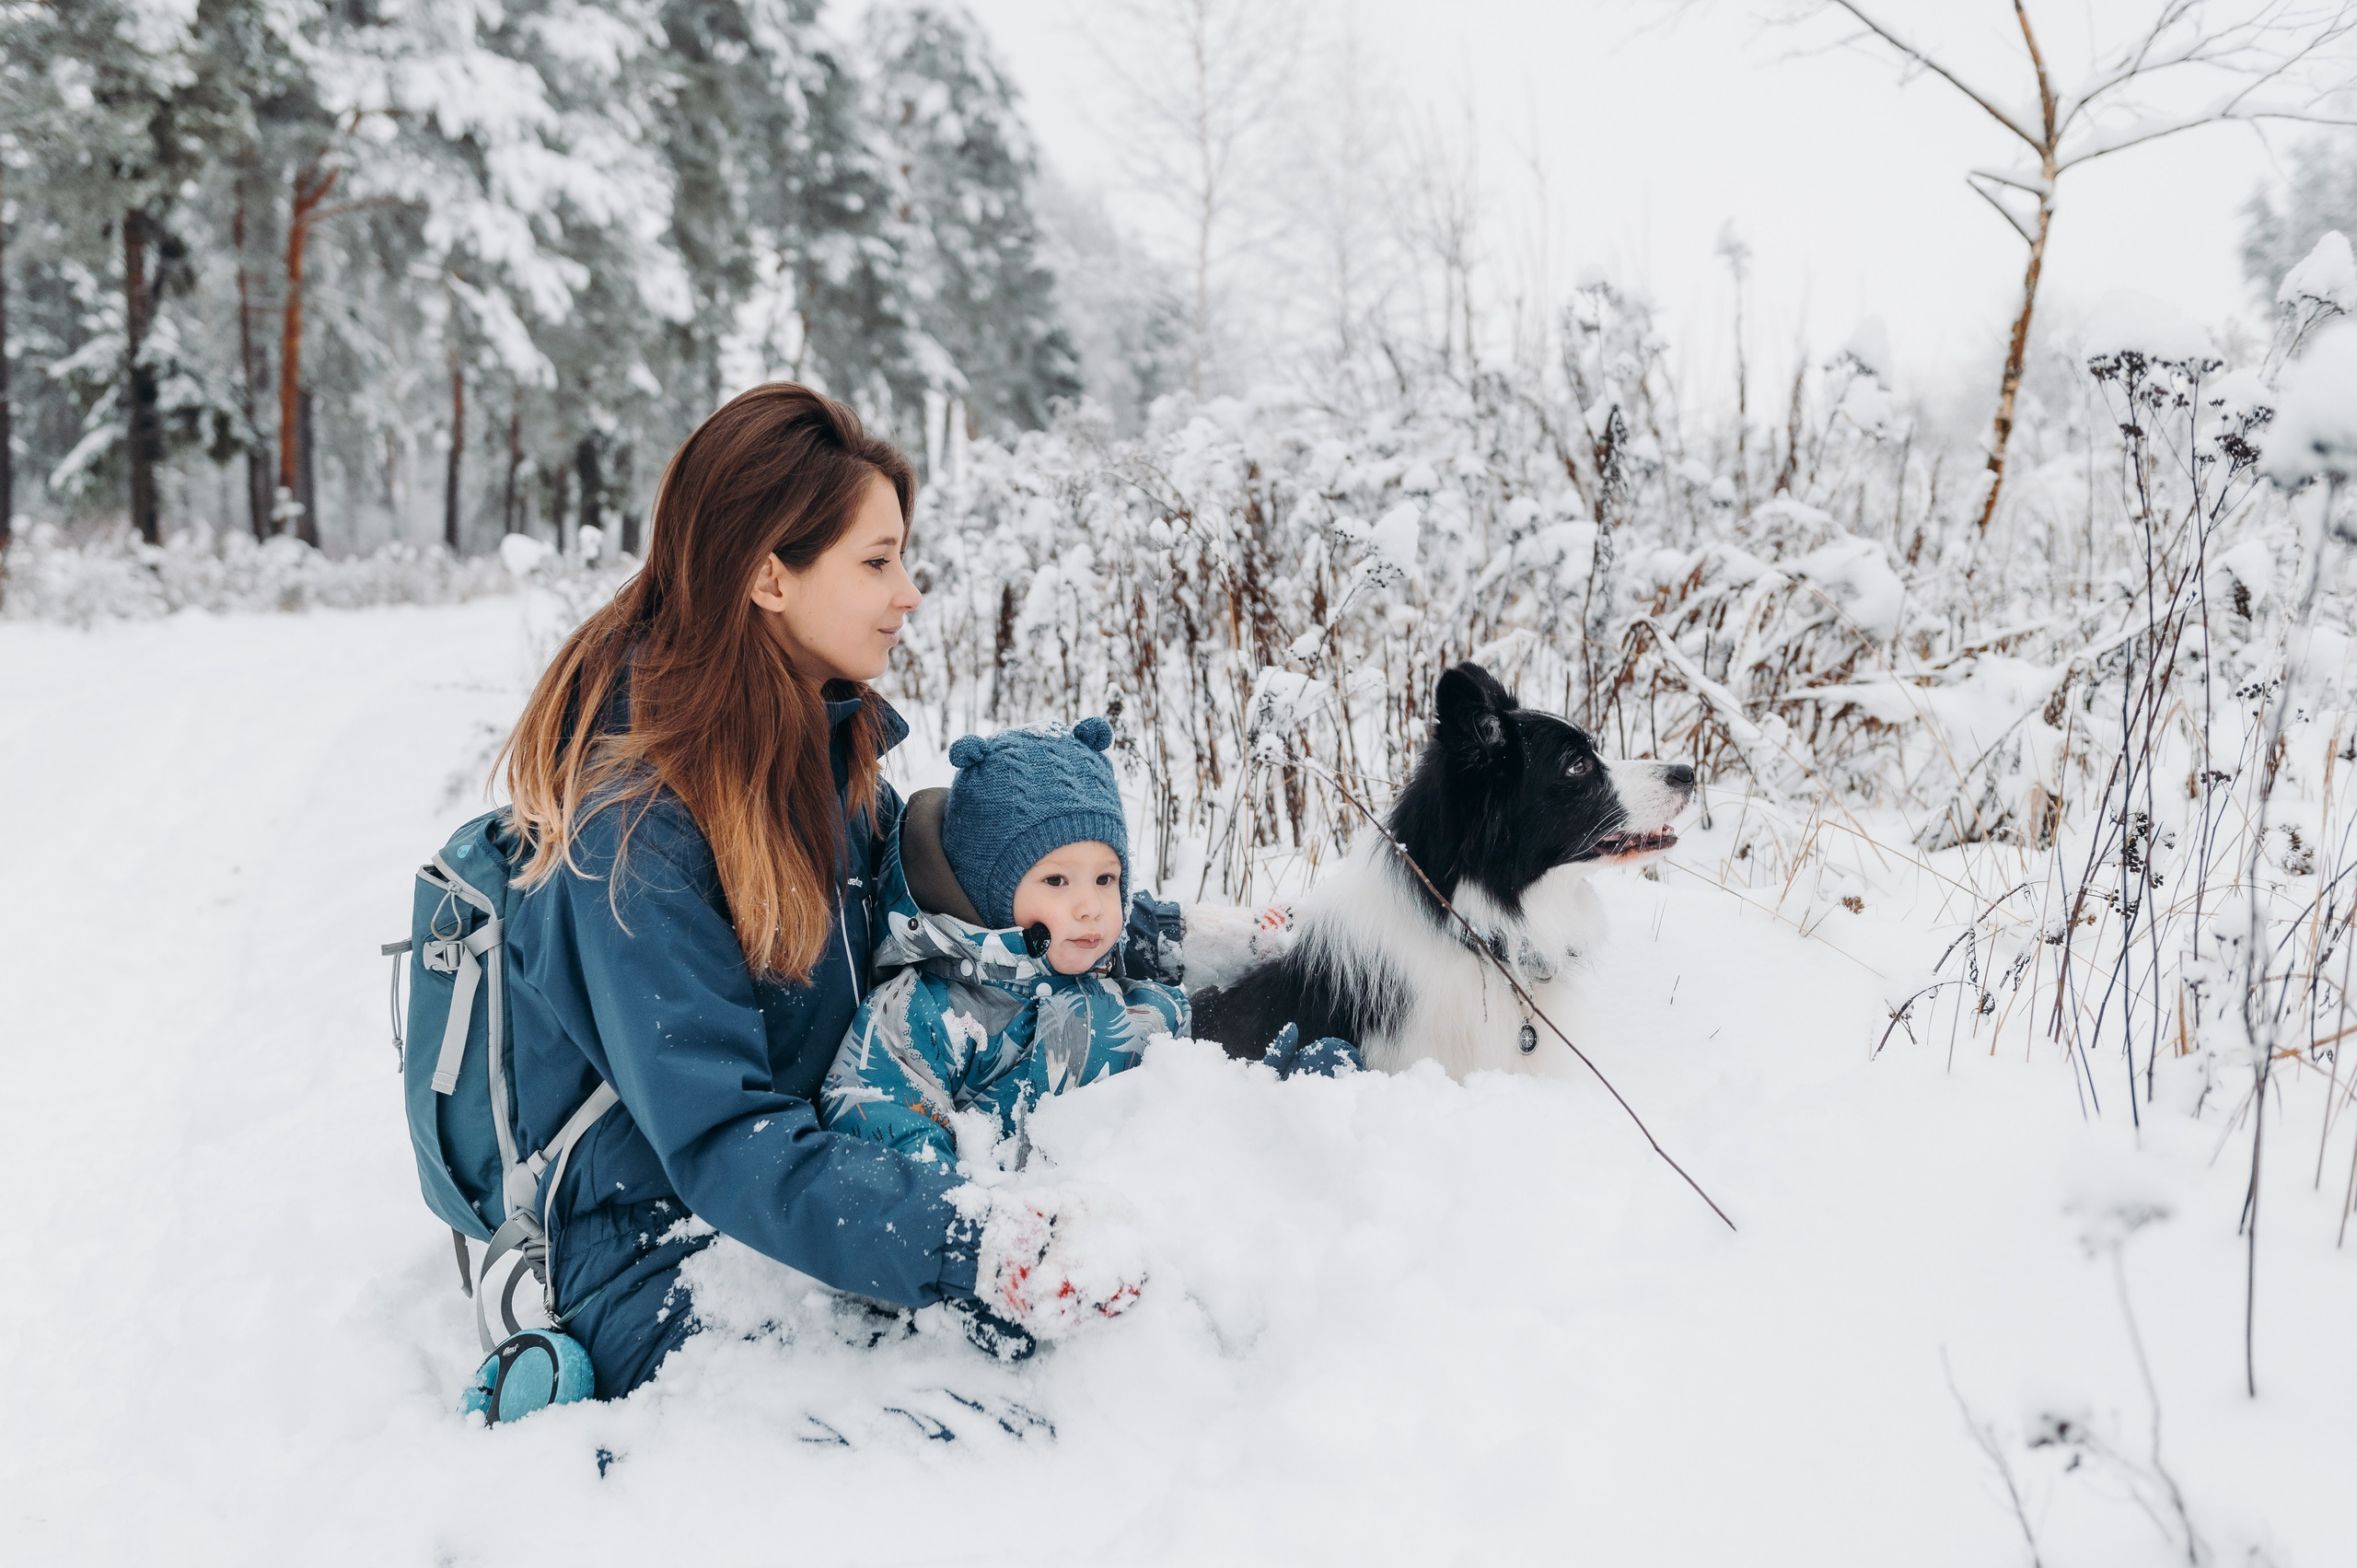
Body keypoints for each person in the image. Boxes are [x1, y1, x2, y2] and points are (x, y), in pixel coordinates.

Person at [496, 383, 1134, 1400]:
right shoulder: (631, 836)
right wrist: (962, 1239)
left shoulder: (829, 757)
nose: (908, 590)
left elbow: (957, 935)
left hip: (826, 1185)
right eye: (876, 561)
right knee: (956, 1428)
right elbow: (717, 1133)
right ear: (768, 577)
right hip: (661, 1249)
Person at [819, 716, 1190, 1170]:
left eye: (1105, 878)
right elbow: (879, 1118)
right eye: (1056, 880)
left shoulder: (1135, 997)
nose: (1090, 906)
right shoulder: (925, 1015)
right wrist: (970, 1214)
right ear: (986, 895)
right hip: (1003, 1221)